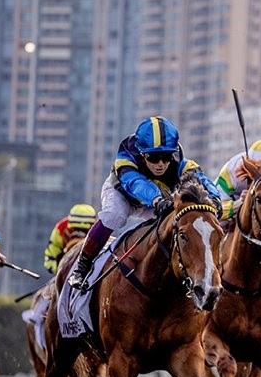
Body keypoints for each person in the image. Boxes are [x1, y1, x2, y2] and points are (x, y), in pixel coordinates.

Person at [69, 116, 223, 289]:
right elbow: (136, 184)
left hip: (156, 202)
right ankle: (82, 266)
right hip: (124, 194)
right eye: (153, 157)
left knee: (171, 224)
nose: (160, 164)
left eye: (166, 157)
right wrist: (157, 199)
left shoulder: (182, 164)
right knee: (115, 216)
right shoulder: (126, 159)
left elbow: (202, 180)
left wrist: (215, 198)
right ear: (142, 153)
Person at [43, 203, 97, 274]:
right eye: (75, 229)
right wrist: (61, 271)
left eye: (84, 230)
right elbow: (51, 256)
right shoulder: (60, 229)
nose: (79, 234)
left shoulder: (100, 230)